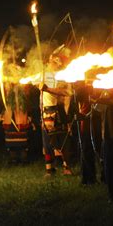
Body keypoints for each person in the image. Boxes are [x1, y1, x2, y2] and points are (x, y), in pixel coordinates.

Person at [40, 47, 73, 176]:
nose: (54, 63)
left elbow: (67, 93)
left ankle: (67, 167)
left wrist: (48, 89)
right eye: (52, 60)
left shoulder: (64, 76)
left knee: (63, 140)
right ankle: (50, 169)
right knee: (47, 141)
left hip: (60, 111)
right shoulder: (43, 74)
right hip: (46, 110)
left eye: (56, 60)